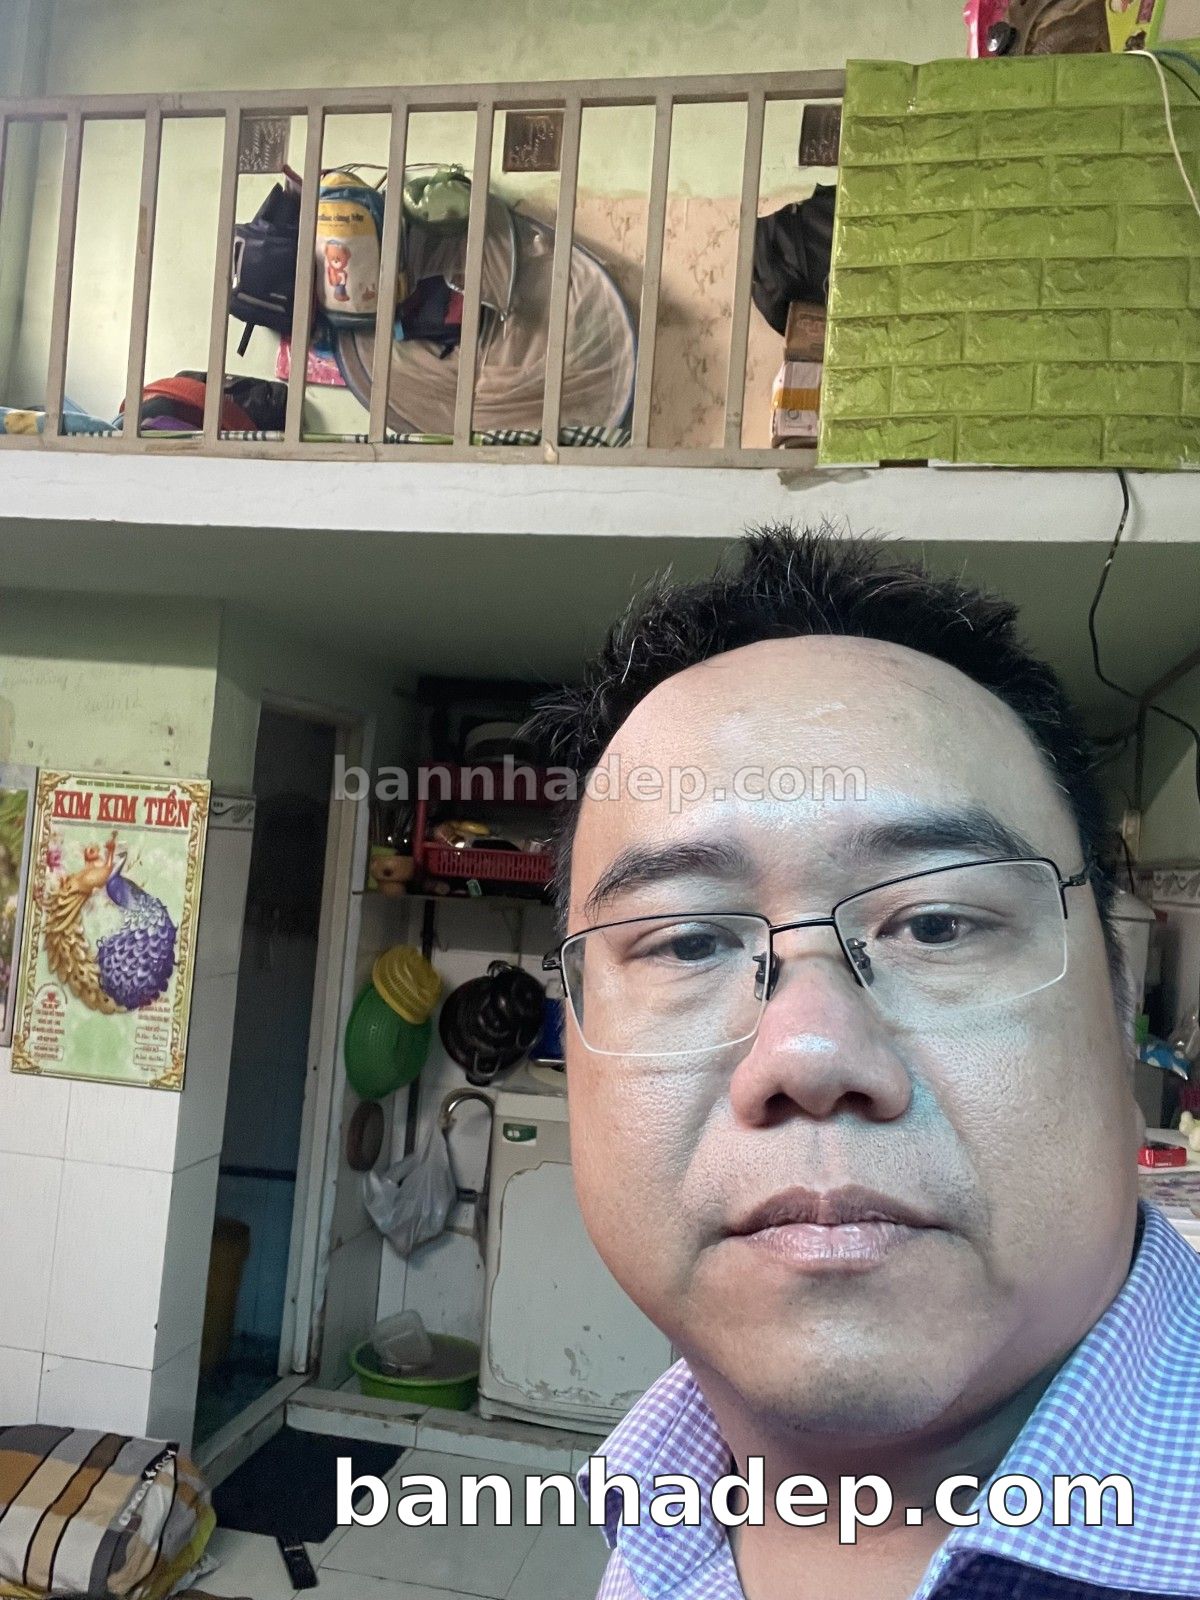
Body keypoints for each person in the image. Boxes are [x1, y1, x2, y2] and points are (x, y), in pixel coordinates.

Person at [530, 524, 1200, 1600]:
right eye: (688, 942)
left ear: (1119, 1006)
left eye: (936, 924)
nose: (807, 1052)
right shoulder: (661, 1507)